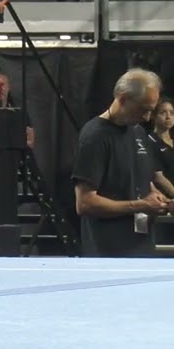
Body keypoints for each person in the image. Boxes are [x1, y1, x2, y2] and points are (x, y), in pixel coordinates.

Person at [72, 68, 167, 257]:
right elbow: (84, 203)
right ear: (122, 99)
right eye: (143, 109)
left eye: (151, 110)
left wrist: (159, 200)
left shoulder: (137, 132)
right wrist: (140, 205)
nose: (147, 117)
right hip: (109, 253)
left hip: (141, 247)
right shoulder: (95, 136)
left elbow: (141, 182)